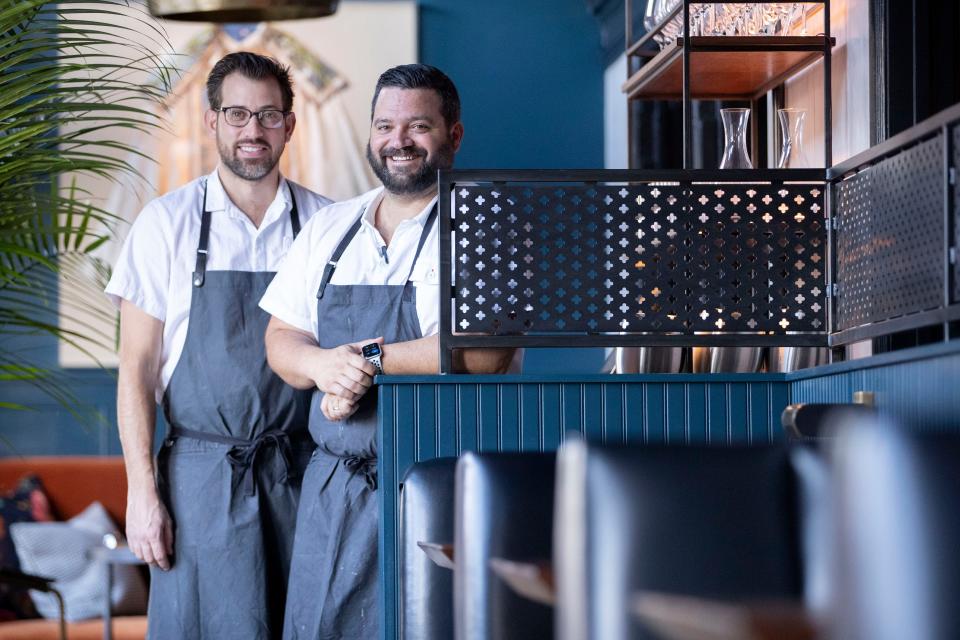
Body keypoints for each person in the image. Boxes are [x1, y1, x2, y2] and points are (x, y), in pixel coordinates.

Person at [260, 63, 516, 638]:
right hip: (333, 493)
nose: (396, 141)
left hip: (438, 485)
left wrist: (365, 360)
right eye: (384, 126)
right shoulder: (330, 227)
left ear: (454, 134)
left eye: (417, 126)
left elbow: (484, 354)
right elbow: (281, 338)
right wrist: (324, 364)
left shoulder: (487, 222)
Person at [105, 52, 332, 638]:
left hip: (304, 476)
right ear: (211, 121)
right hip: (199, 485)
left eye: (267, 115)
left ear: (289, 124)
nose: (252, 130)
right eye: (236, 114)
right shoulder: (165, 225)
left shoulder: (329, 225)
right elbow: (134, 372)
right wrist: (141, 495)